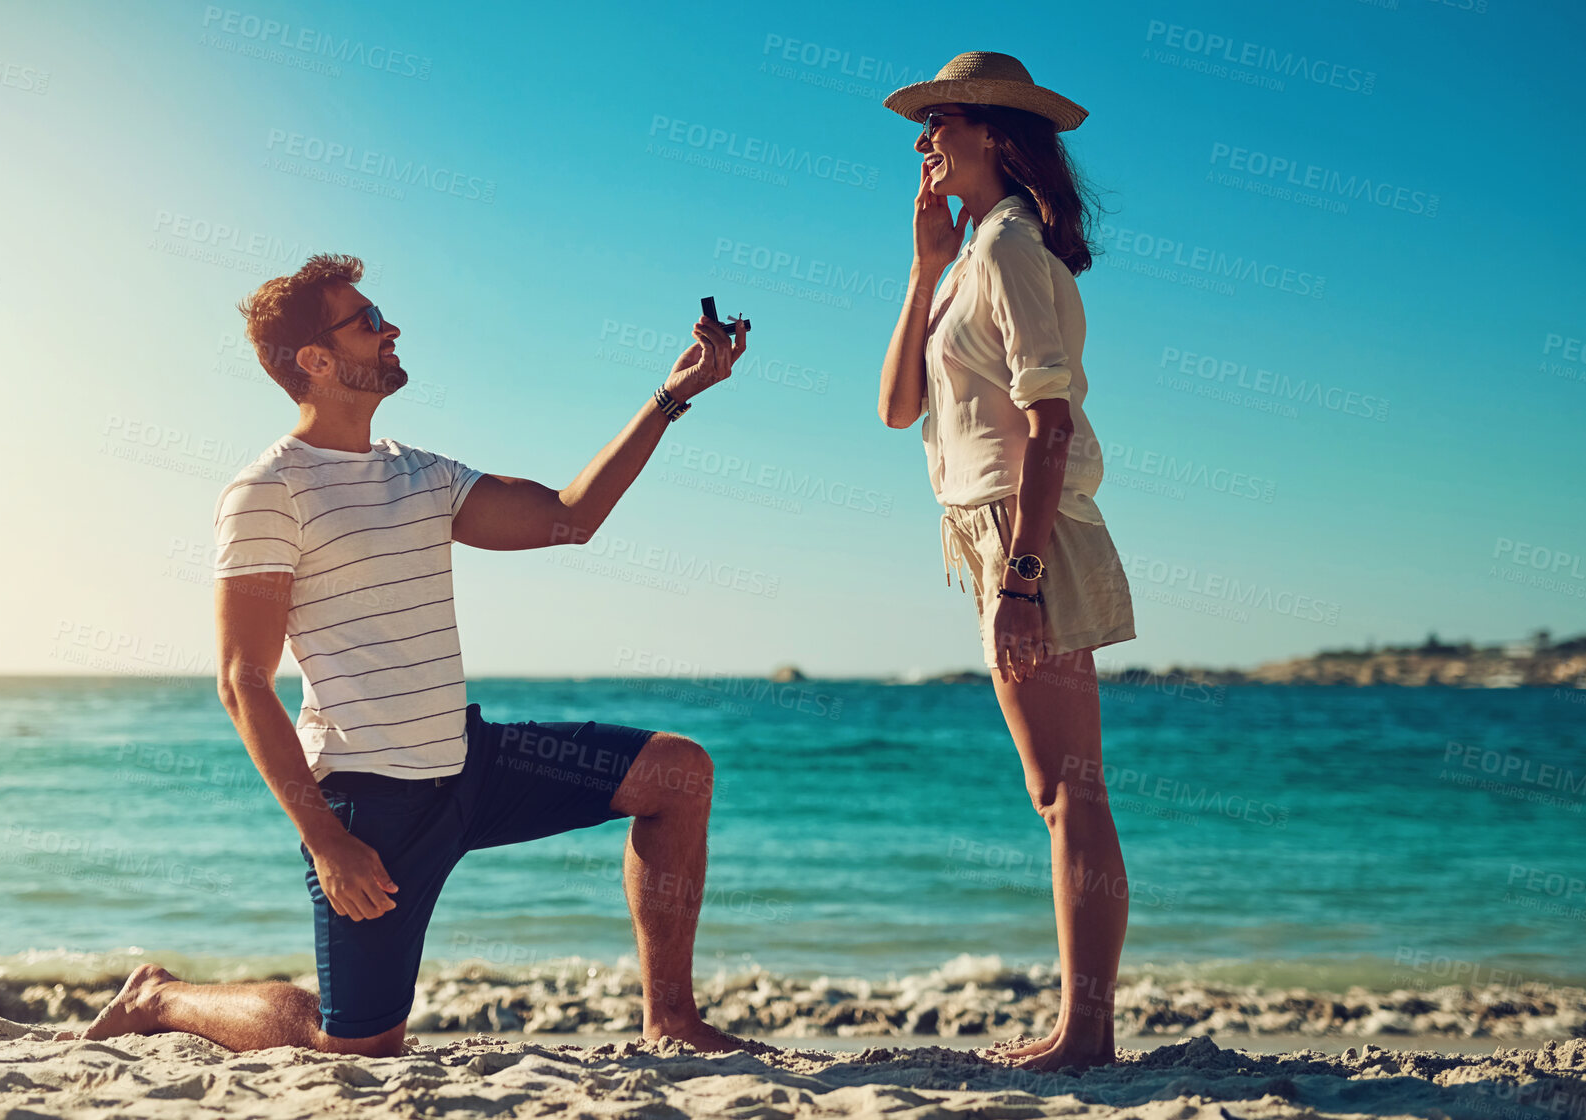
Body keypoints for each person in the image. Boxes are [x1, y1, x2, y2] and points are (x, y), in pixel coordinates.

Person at [66, 253, 751, 1057]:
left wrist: (671, 397)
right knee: (350, 1048)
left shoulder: (419, 474)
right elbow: (241, 682)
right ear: (317, 361)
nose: (390, 330)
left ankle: (669, 1017)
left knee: (678, 771)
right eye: (366, 322)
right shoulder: (266, 491)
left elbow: (571, 515)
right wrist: (325, 839)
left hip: (473, 764)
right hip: (370, 802)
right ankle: (162, 997)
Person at [876, 52, 1137, 1071]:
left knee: (1071, 789)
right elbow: (899, 406)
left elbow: (1053, 425)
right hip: (990, 530)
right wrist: (920, 266)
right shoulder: (972, 255)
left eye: (938, 121)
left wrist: (1022, 577)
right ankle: (1089, 1028)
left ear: (992, 132)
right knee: (1056, 787)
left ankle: (1087, 1032)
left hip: (1029, 532)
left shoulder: (1016, 246)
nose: (922, 140)